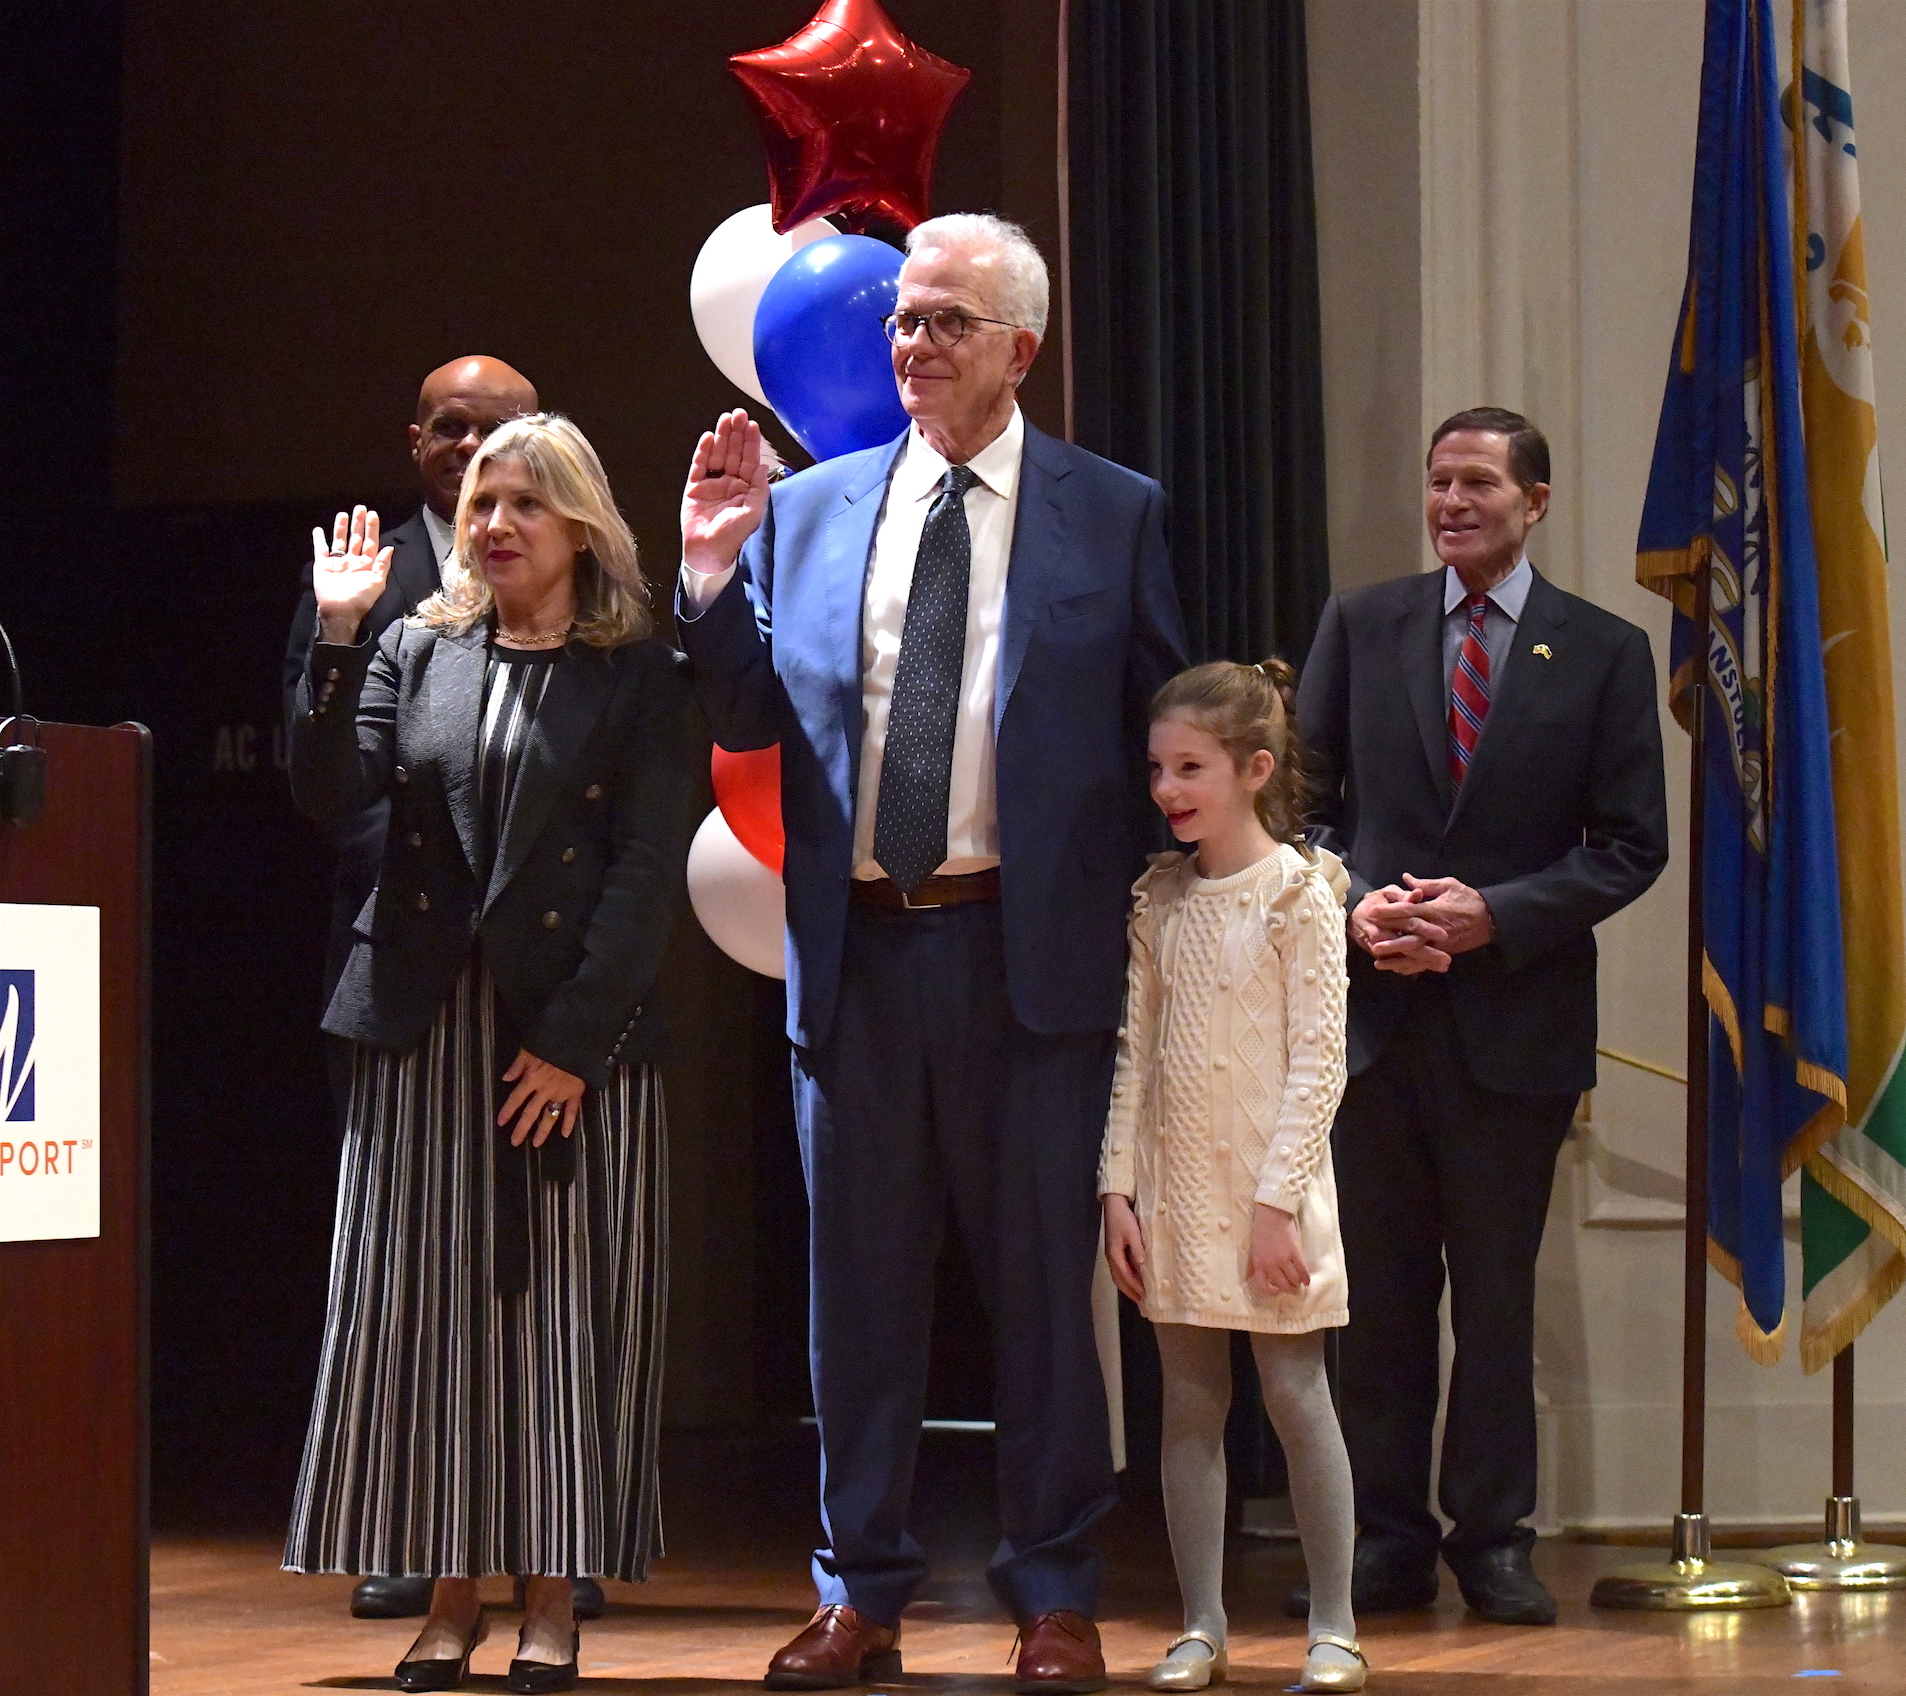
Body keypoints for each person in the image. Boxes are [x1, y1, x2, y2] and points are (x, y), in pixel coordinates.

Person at [677, 213, 1187, 1692]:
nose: (912, 343)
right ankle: (861, 1592)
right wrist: (711, 581)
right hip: (860, 965)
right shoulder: (816, 508)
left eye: (947, 321)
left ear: (1019, 348)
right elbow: (743, 718)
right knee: (860, 1299)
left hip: (1030, 961)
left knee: (1042, 1298)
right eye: (904, 319)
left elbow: (1168, 721)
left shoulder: (1114, 509)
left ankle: (1053, 1592)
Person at [285, 414, 690, 1694]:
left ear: (580, 522)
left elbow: (642, 874)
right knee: (428, 1321)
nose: (496, 523)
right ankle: (449, 1596)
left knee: (562, 1317)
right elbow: (325, 791)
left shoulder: (635, 670)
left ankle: (554, 1597)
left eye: (524, 501)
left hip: (565, 1035)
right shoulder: (417, 643)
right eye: (479, 502)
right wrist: (339, 638)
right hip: (423, 1035)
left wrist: (574, 1043)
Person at [1293, 407, 1668, 1625]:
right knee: (1382, 1301)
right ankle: (1384, 1541)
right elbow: (1303, 809)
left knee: (1494, 1301)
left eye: (1477, 484)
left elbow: (1627, 846)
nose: (1450, 502)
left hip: (1515, 1031)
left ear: (1534, 501)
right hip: (1372, 1022)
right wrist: (1355, 905)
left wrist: (1490, 914)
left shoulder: (1604, 651)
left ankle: (1493, 1541)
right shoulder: (1363, 623)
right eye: (1437, 481)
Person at [278, 357, 579, 1625]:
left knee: (537, 1285)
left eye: (500, 433)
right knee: (408, 1279)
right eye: (452, 433)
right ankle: (416, 1537)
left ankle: (543, 1546)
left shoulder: (588, 606)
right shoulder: (371, 580)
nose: (476, 459)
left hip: (539, 982)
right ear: (417, 446)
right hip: (404, 963)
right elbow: (321, 782)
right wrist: (341, 631)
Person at [1100, 661, 1365, 1694]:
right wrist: (1115, 1188)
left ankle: (1334, 1624)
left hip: (1271, 1198)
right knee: (1187, 1402)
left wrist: (1274, 1205)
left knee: (1297, 1396)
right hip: (1174, 1189)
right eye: (1157, 767)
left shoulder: (1300, 895)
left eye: (1190, 767)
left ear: (1254, 769)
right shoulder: (1159, 898)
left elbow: (1317, 1061)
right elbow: (1135, 1050)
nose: (1167, 788)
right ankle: (1200, 1623)